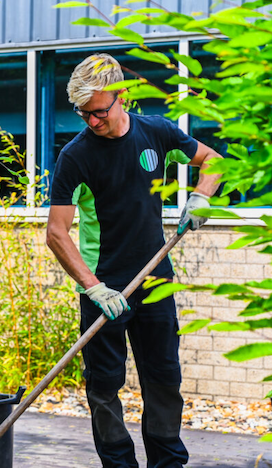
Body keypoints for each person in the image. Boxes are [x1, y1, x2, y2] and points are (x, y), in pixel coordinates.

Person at [46, 53, 222, 468]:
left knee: (164, 381)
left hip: (155, 281)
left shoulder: (156, 134)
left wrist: (201, 197)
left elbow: (213, 160)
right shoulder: (76, 156)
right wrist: (93, 287)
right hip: (104, 287)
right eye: (82, 113)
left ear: (121, 96)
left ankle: (167, 464)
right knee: (104, 388)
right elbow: (57, 233)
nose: (91, 121)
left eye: (99, 111)